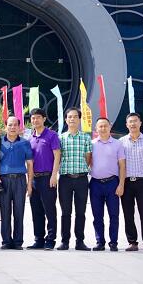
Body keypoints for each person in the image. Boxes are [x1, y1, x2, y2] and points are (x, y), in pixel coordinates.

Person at [119, 112, 143, 252]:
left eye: (135, 121)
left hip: (142, 182)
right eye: (130, 122)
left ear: (140, 123)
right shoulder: (121, 142)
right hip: (127, 182)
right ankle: (132, 242)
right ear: (127, 125)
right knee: (128, 213)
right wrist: (120, 184)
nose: (133, 124)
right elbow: (119, 164)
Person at [0, 115, 34, 249]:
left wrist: (29, 184)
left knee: (19, 211)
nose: (12, 127)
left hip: (20, 180)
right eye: (10, 125)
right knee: (5, 212)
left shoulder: (25, 143)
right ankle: (6, 241)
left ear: (19, 127)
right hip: (3, 180)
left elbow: (30, 164)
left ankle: (18, 242)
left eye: (15, 125)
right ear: (5, 127)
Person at [57, 107, 92, 251]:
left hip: (82, 179)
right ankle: (64, 241)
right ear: (66, 120)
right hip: (65, 179)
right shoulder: (60, 138)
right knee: (65, 212)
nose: (72, 119)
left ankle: (80, 241)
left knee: (81, 212)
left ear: (79, 119)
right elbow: (57, 158)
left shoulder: (86, 137)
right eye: (69, 117)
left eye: (75, 117)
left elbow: (88, 158)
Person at [90, 117, 126, 252]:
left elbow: (122, 166)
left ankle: (113, 242)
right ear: (96, 129)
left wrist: (121, 184)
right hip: (95, 184)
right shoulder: (91, 144)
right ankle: (100, 241)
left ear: (110, 127)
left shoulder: (118, 144)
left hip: (112, 183)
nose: (103, 128)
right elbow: (88, 162)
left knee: (114, 215)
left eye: (105, 126)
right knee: (97, 216)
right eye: (100, 126)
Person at [28, 108, 61, 250]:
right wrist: (29, 182)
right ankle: (38, 239)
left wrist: (54, 175)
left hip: (48, 177)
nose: (35, 120)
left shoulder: (52, 135)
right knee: (36, 211)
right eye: (33, 118)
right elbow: (28, 161)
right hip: (34, 179)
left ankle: (50, 240)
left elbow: (57, 156)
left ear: (44, 119)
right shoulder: (30, 137)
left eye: (38, 118)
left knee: (49, 210)